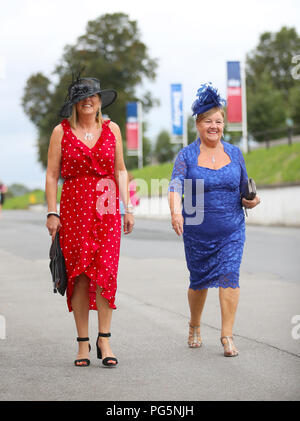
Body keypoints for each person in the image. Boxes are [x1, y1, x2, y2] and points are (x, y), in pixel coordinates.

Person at [45, 76, 134, 367]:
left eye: (93, 96)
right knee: (80, 276)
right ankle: (83, 343)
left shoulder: (113, 129)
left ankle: (104, 339)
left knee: (106, 273)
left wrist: (128, 206)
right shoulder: (61, 131)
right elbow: (51, 174)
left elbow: (120, 169)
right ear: (74, 102)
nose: (89, 100)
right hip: (74, 208)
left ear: (99, 100)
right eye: (83, 96)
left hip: (106, 208)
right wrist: (51, 211)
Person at [168, 82, 260, 357]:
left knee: (230, 274)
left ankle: (227, 335)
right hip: (197, 228)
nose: (214, 126)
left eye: (218, 121)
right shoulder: (186, 156)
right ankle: (194, 324)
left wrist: (251, 200)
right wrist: (175, 212)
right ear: (198, 124)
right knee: (198, 281)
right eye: (208, 121)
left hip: (232, 227)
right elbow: (175, 186)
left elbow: (245, 187)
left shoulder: (234, 153)